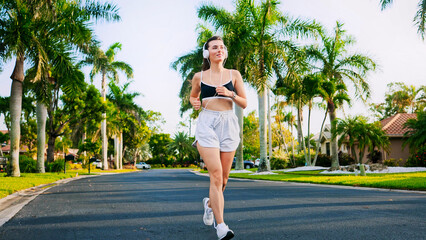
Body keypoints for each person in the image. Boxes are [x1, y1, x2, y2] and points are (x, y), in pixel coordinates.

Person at [190, 36, 247, 240]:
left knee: (222, 180)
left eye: (222, 47)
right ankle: (221, 226)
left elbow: (244, 103)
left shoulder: (234, 75)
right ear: (207, 53)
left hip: (229, 124)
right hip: (207, 124)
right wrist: (194, 103)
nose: (219, 50)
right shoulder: (200, 77)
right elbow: (193, 96)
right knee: (215, 174)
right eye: (214, 47)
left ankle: (209, 204)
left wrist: (230, 94)